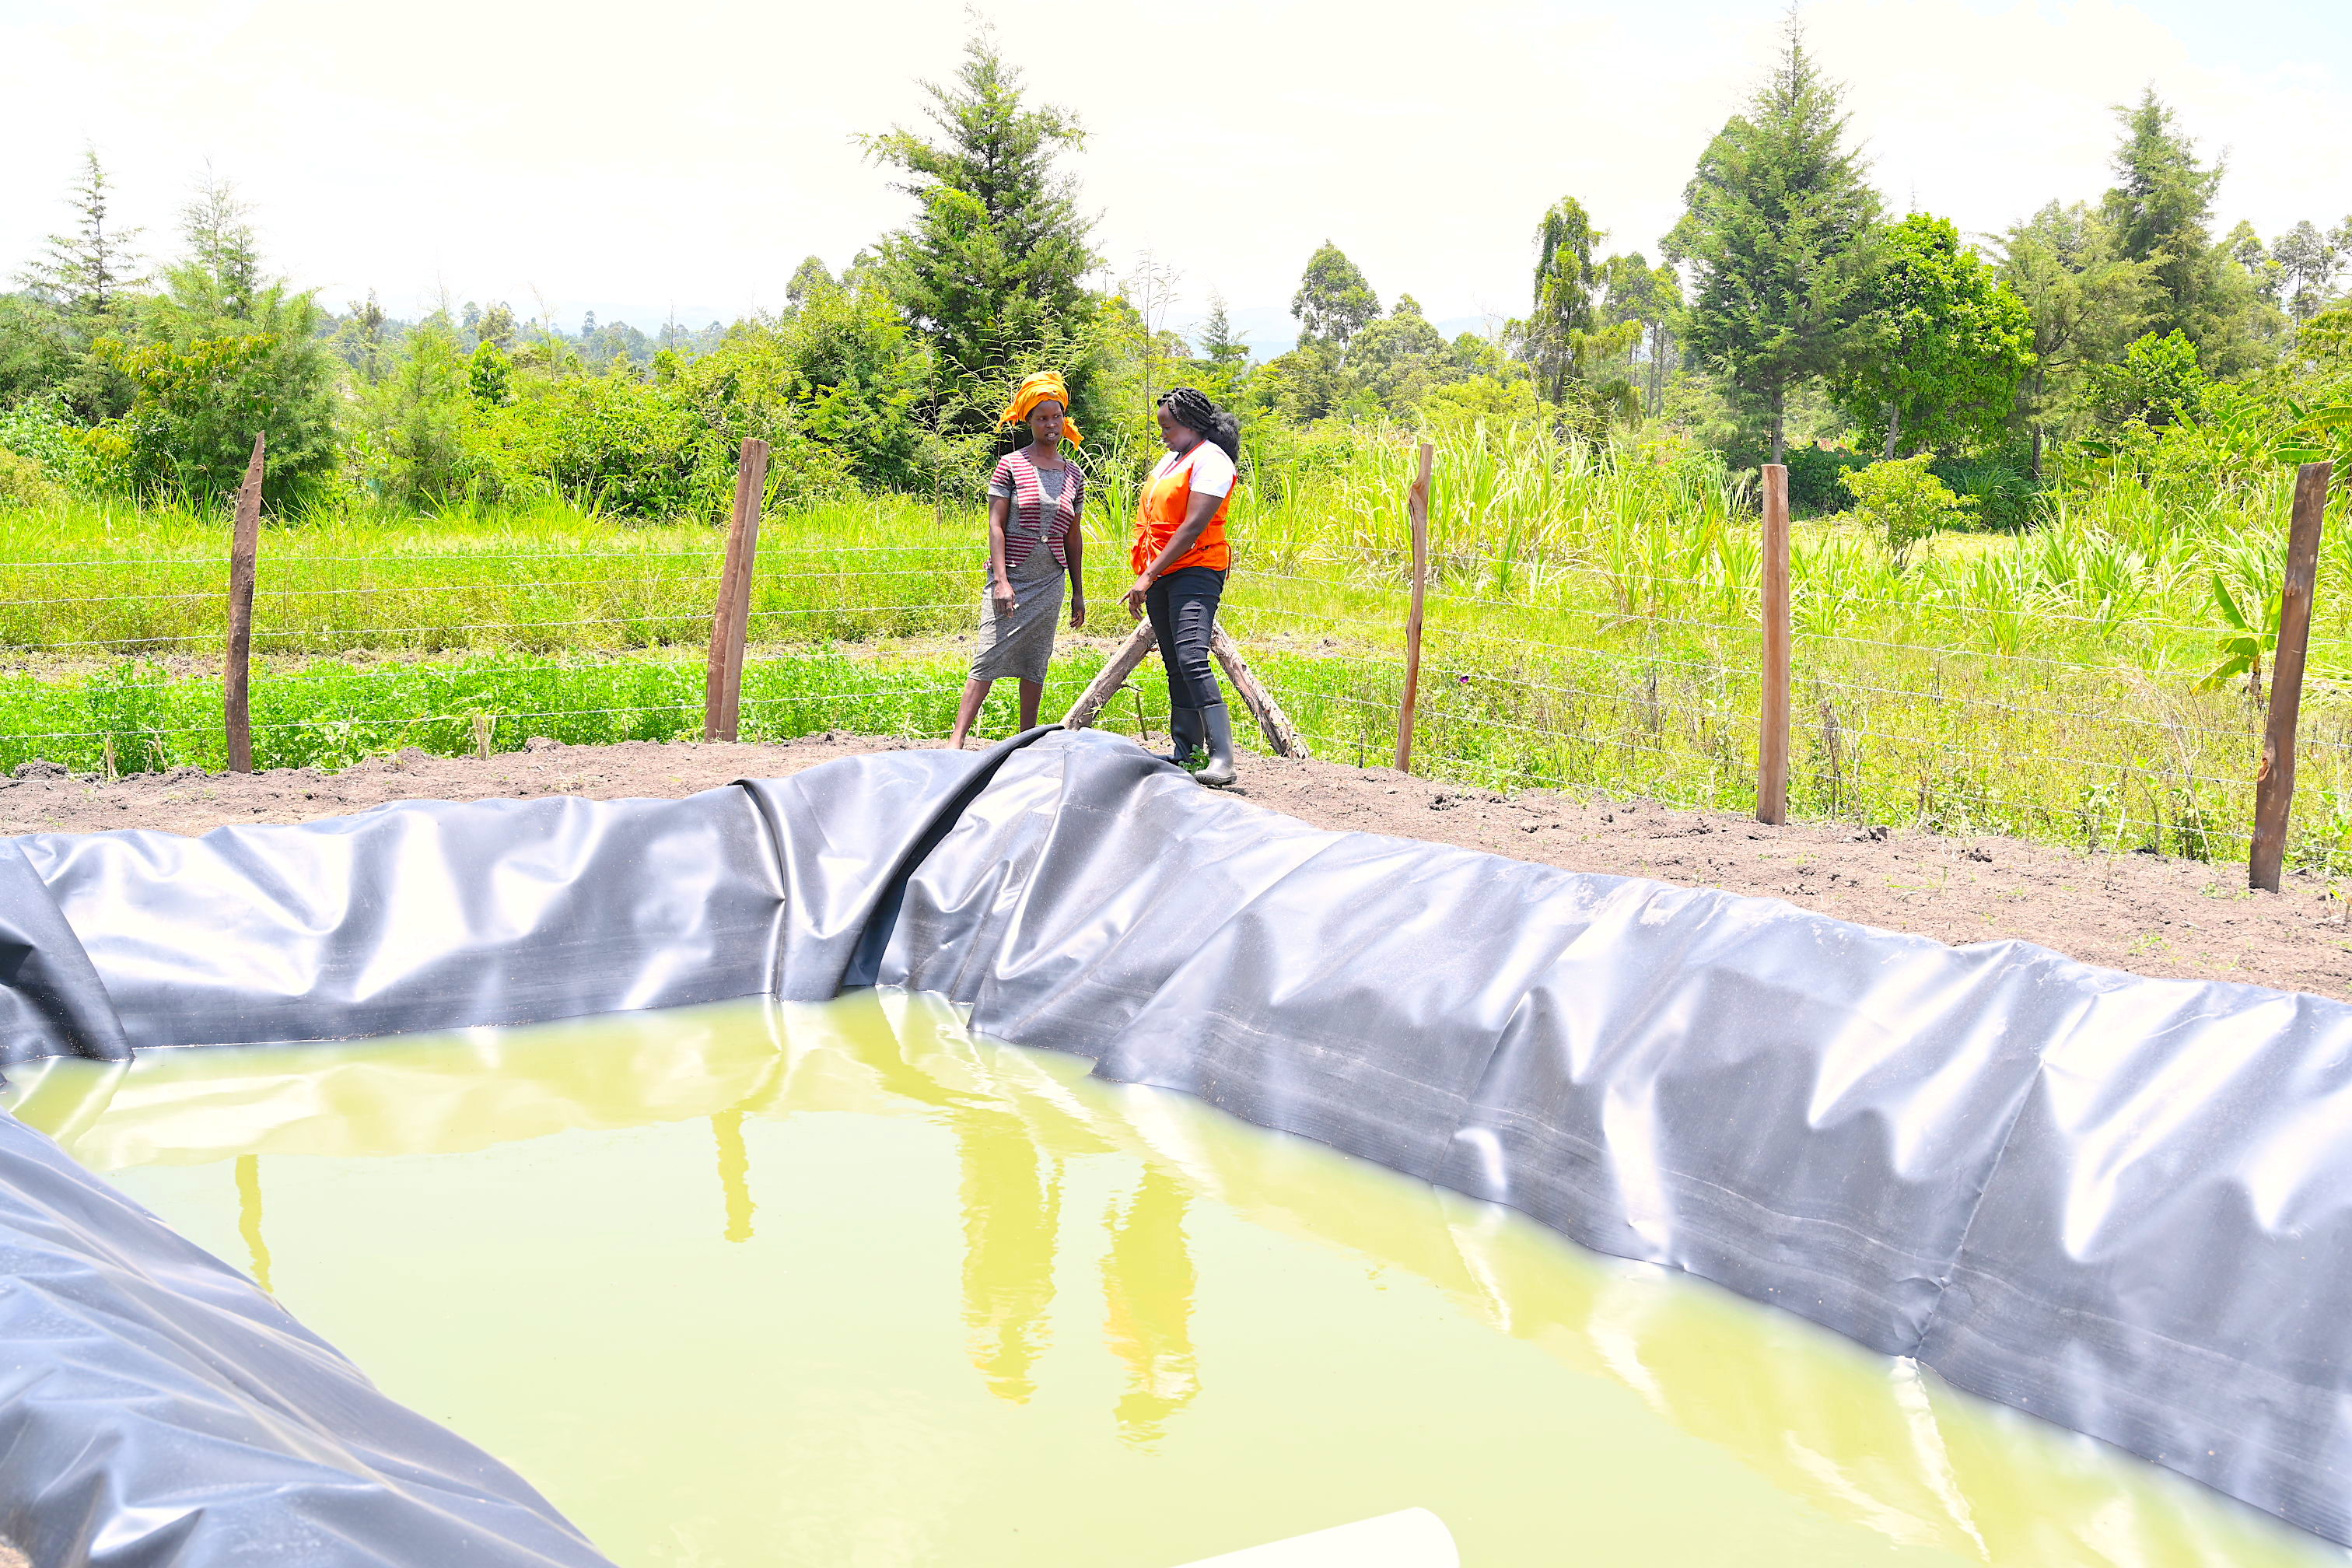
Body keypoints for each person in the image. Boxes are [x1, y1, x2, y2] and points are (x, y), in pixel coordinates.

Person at [948, 371, 1088, 749]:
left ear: (1064, 419)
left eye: (1056, 416)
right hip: (1012, 574)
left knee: (1035, 659)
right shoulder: (1010, 464)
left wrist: (1078, 592)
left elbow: (1072, 536)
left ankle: (1025, 741)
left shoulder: (1073, 473)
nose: (1050, 424)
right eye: (1041, 417)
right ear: (1028, 421)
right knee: (989, 653)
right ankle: (956, 741)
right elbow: (995, 525)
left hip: (1050, 580)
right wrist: (1002, 581)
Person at [1124, 387, 1241, 787]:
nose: (1163, 435)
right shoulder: (1172, 459)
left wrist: (1147, 574)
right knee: (1174, 659)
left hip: (1196, 569)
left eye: (1169, 428)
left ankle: (1222, 757)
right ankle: (1185, 751)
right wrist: (1151, 571)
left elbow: (1192, 529)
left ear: (1191, 425)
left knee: (1193, 656)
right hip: (1162, 570)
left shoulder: (1213, 461)